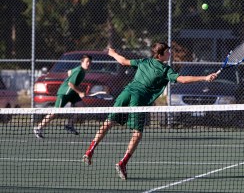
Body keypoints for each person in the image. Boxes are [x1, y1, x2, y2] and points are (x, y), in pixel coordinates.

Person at [82, 43, 217, 180]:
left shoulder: (144, 61)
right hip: (138, 99)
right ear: (160, 55)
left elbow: (122, 61)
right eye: (167, 52)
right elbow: (182, 80)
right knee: (137, 133)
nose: (169, 54)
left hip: (126, 93)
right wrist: (204, 78)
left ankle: (89, 151)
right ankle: (123, 163)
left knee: (108, 122)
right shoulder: (165, 69)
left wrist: (112, 53)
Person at [33, 54, 92, 139]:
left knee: (82, 108)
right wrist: (79, 92)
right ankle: (38, 128)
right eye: (87, 62)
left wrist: (78, 91)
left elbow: (69, 72)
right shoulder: (79, 70)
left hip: (72, 94)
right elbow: (70, 84)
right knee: (55, 112)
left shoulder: (81, 70)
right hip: (64, 93)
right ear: (82, 62)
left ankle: (69, 125)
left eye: (90, 62)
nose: (88, 64)